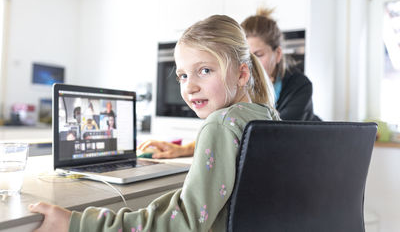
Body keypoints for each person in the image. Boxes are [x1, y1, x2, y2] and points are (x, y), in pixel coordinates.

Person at [28, 15, 280, 232]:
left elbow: (185, 222)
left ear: (242, 74)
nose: (190, 87)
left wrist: (78, 223)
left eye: (204, 70)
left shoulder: (221, 124)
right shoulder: (263, 115)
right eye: (182, 75)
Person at [139, 8, 321, 159]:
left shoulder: (299, 85)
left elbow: (264, 136)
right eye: (247, 55)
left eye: (258, 55)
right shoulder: (239, 90)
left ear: (278, 54)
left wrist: (186, 149)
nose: (251, 61)